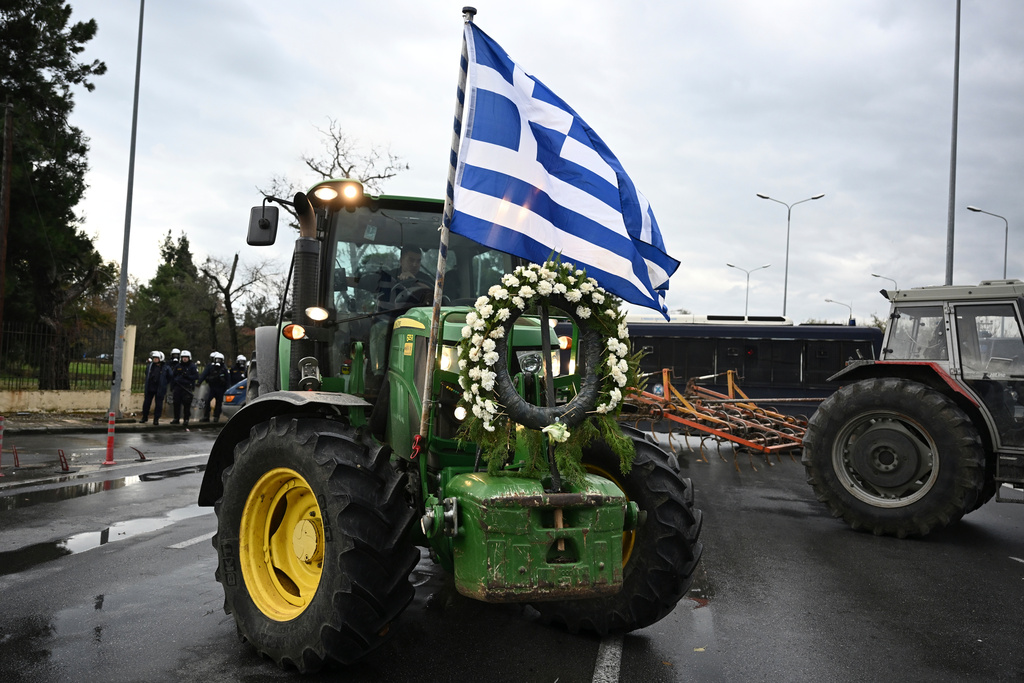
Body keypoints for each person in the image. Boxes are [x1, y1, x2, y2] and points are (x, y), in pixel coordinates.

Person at [140, 351, 172, 425]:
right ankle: (144, 417)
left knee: (158, 405)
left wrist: (164, 383)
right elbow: (146, 373)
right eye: (154, 358)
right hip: (150, 388)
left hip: (159, 389)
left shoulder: (166, 367)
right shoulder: (150, 366)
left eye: (156, 358)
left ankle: (156, 419)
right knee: (146, 404)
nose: (155, 360)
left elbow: (170, 376)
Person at [198, 351, 231, 422]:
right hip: (212, 387)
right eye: (217, 359)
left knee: (219, 403)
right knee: (207, 400)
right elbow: (204, 374)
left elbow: (228, 379)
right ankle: (206, 416)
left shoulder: (224, 369)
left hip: (221, 388)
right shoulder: (211, 367)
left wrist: (227, 388)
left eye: (219, 360)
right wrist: (199, 382)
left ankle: (216, 416)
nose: (218, 361)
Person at [170, 349, 199, 426]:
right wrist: (172, 386)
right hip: (178, 387)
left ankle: (186, 419)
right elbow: (173, 376)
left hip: (187, 388)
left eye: (186, 357)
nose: (184, 359)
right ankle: (176, 418)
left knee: (186, 405)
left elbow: (196, 376)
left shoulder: (192, 366)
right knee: (176, 403)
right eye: (183, 357)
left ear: (189, 358)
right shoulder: (178, 366)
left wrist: (187, 376)